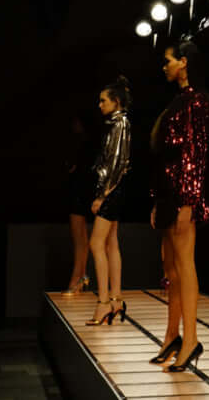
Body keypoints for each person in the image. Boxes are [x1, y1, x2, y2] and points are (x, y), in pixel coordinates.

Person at [148, 40, 209, 372]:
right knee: (171, 270)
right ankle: (173, 335)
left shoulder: (198, 100)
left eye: (168, 60)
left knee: (185, 267)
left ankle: (191, 340)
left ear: (184, 62)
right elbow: (164, 156)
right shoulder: (179, 101)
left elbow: (195, 154)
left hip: (183, 194)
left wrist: (189, 200)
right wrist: (157, 200)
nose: (164, 66)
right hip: (168, 193)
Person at [85, 77, 132, 326]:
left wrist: (102, 195)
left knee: (96, 243)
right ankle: (115, 299)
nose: (99, 104)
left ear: (115, 101)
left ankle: (104, 302)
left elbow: (116, 162)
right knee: (111, 243)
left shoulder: (120, 123)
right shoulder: (118, 123)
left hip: (111, 189)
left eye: (103, 100)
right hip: (116, 188)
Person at [61, 114, 95, 296]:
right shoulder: (86, 144)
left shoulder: (79, 144)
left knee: (80, 239)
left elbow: (71, 167)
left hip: (78, 193)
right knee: (82, 238)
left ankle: (77, 278)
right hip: (83, 191)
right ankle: (80, 277)